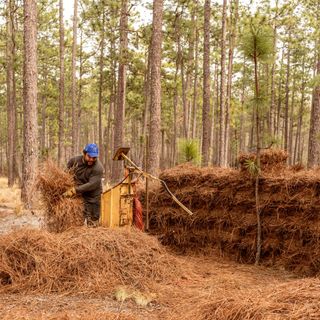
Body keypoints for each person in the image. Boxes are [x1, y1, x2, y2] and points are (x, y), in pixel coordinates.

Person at [63, 143, 104, 226]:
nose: (91, 159)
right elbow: (66, 173)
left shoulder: (98, 168)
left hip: (93, 197)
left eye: (94, 157)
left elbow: (91, 185)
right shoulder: (74, 161)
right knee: (78, 220)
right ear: (84, 153)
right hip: (80, 195)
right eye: (89, 156)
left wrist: (75, 190)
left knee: (92, 222)